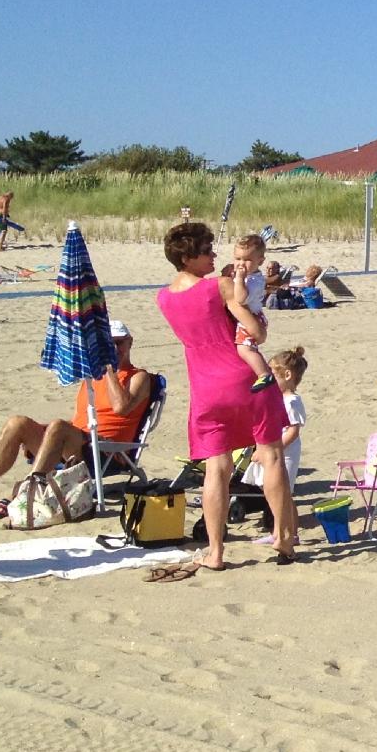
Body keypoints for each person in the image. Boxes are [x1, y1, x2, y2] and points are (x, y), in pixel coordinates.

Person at [154, 221, 295, 572]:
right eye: (206, 251)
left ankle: (215, 551)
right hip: (244, 377)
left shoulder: (164, 297)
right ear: (188, 257)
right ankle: (283, 536)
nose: (214, 255)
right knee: (271, 456)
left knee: (215, 470)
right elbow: (256, 332)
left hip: (204, 386)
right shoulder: (218, 287)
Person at [0, 320, 153, 517]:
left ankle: (29, 495)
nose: (114, 349)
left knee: (59, 426)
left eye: (118, 343)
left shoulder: (138, 377)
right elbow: (80, 422)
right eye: (108, 345)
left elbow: (121, 407)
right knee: (18, 423)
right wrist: (46, 430)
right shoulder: (93, 378)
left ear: (130, 342)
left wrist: (109, 368)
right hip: (77, 443)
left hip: (108, 452)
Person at [241, 347, 309, 534]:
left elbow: (293, 432)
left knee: (284, 495)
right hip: (273, 452)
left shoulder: (292, 401)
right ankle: (279, 532)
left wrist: (271, 450)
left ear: (287, 375)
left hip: (284, 455)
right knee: (273, 493)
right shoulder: (277, 399)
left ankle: (291, 533)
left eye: (273, 376)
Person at [226, 233, 275, 391]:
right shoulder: (248, 275)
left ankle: (263, 374)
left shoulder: (254, 281)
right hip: (250, 316)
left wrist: (238, 279)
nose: (241, 264)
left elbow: (240, 299)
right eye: (238, 259)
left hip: (251, 318)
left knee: (245, 348)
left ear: (260, 261)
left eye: (247, 260)